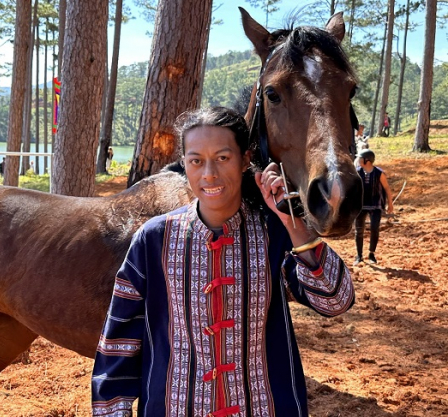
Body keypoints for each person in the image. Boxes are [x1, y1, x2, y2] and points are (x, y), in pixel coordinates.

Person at [91, 107, 355, 416]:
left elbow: (336, 299)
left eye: (223, 158)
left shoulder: (275, 233)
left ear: (245, 160)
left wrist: (293, 224)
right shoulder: (153, 240)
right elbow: (119, 340)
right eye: (196, 161)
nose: (209, 174)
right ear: (184, 164)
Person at [354, 149, 393, 265]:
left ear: (367, 161)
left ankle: (371, 254)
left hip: (376, 205)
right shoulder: (357, 172)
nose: (358, 160)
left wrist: (390, 203)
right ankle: (359, 255)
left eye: (360, 158)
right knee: (359, 230)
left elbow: (386, 188)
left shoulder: (379, 173)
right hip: (361, 205)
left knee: (374, 228)